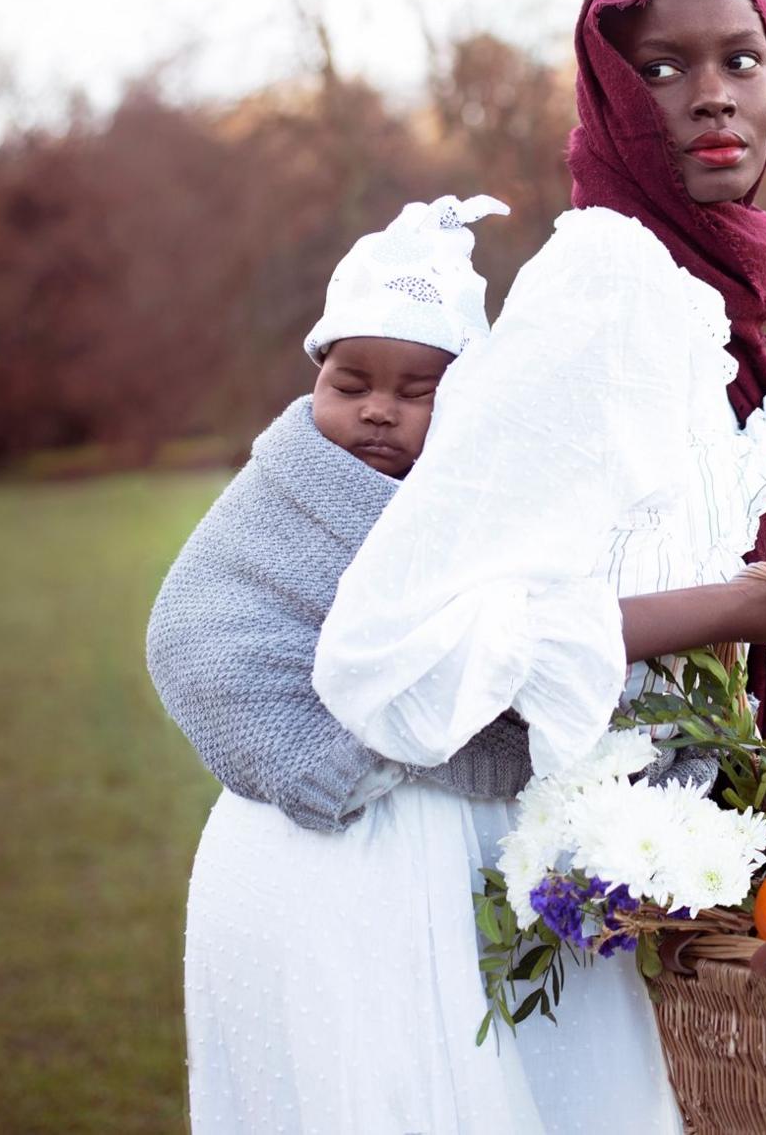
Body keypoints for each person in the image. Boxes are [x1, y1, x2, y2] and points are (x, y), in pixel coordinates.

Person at [315, 0, 766, 1132]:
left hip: (684, 866)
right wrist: (732, 611)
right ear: (607, 97)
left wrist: (750, 562)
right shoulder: (602, 282)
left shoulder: (691, 274)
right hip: (582, 875)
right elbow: (389, 650)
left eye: (740, 59)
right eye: (660, 67)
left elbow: (598, 533)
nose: (711, 93)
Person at [147, 194, 540, 1133]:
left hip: (460, 841)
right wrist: (329, 750)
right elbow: (196, 628)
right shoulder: (280, 491)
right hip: (316, 834)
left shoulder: (494, 503)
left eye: (418, 392)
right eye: (351, 381)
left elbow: (534, 636)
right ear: (316, 376)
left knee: (466, 1069)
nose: (377, 410)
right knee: (354, 1078)